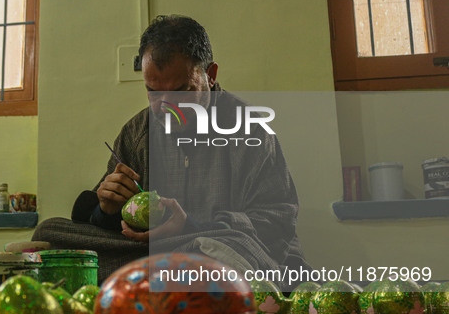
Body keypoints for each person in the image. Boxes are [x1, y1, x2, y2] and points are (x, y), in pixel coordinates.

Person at [32, 15, 310, 287]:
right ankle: (170, 277)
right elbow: (109, 226)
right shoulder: (138, 132)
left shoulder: (251, 131)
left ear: (210, 75)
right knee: (50, 233)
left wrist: (191, 226)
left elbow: (278, 222)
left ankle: (150, 279)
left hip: (220, 251)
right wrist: (107, 209)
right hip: (159, 254)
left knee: (223, 251)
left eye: (181, 91)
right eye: (154, 93)